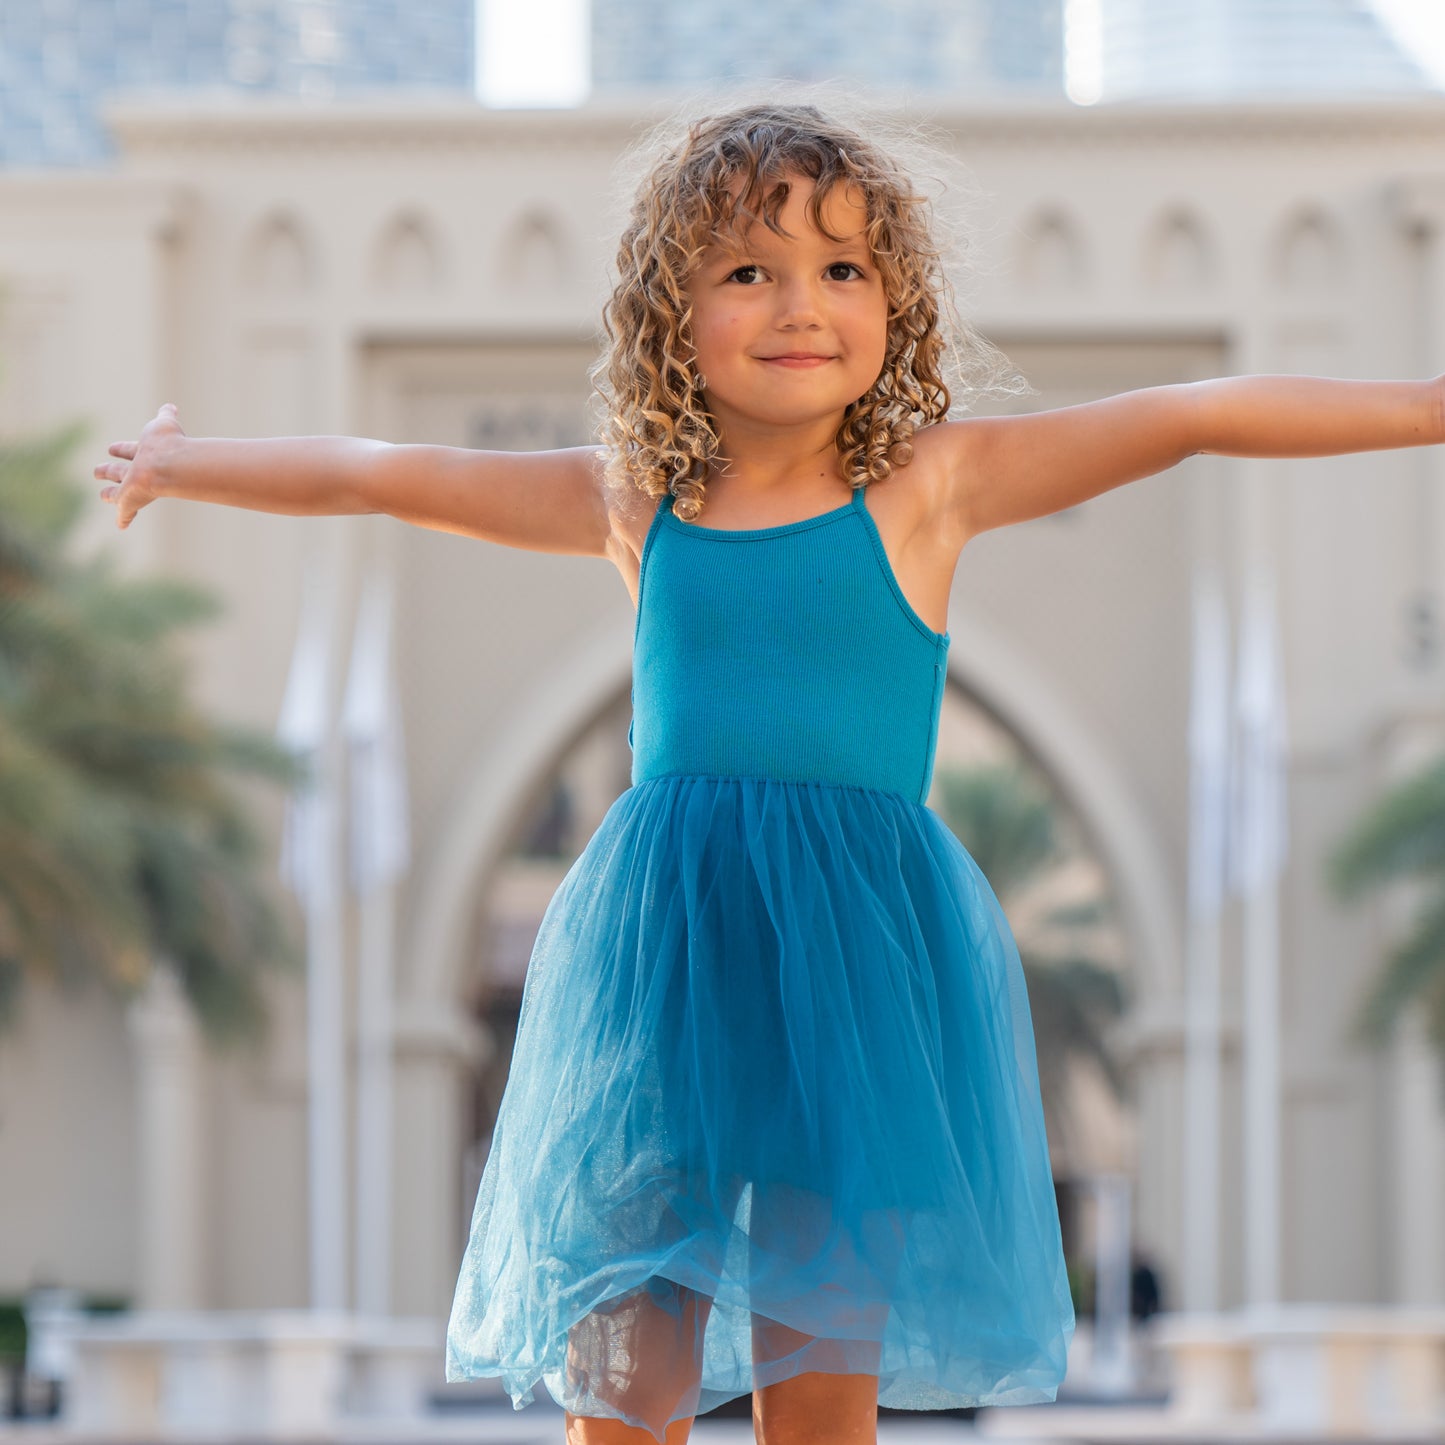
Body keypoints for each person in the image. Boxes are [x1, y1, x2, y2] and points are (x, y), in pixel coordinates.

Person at [94, 101, 1443, 1445]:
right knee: (621, 1384)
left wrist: (1424, 408)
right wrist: (180, 462)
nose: (801, 304)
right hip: (661, 967)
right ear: (670, 316)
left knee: (816, 1397)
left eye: (842, 269)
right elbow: (383, 472)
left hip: (848, 979)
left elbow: (1193, 411)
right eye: (749, 270)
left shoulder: (933, 484)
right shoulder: (635, 500)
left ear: (894, 303)